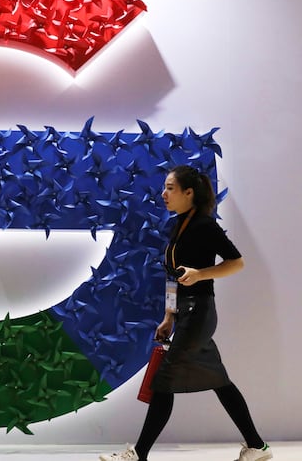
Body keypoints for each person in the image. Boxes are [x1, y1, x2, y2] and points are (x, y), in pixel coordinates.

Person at [98, 165, 272, 461]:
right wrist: (168, 317)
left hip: (200, 312)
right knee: (220, 382)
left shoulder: (205, 225)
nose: (163, 194)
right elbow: (172, 276)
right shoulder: (178, 225)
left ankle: (138, 454)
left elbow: (236, 262)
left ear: (188, 193)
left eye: (170, 188)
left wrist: (201, 273)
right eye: (165, 188)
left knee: (163, 382)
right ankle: (257, 447)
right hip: (185, 314)